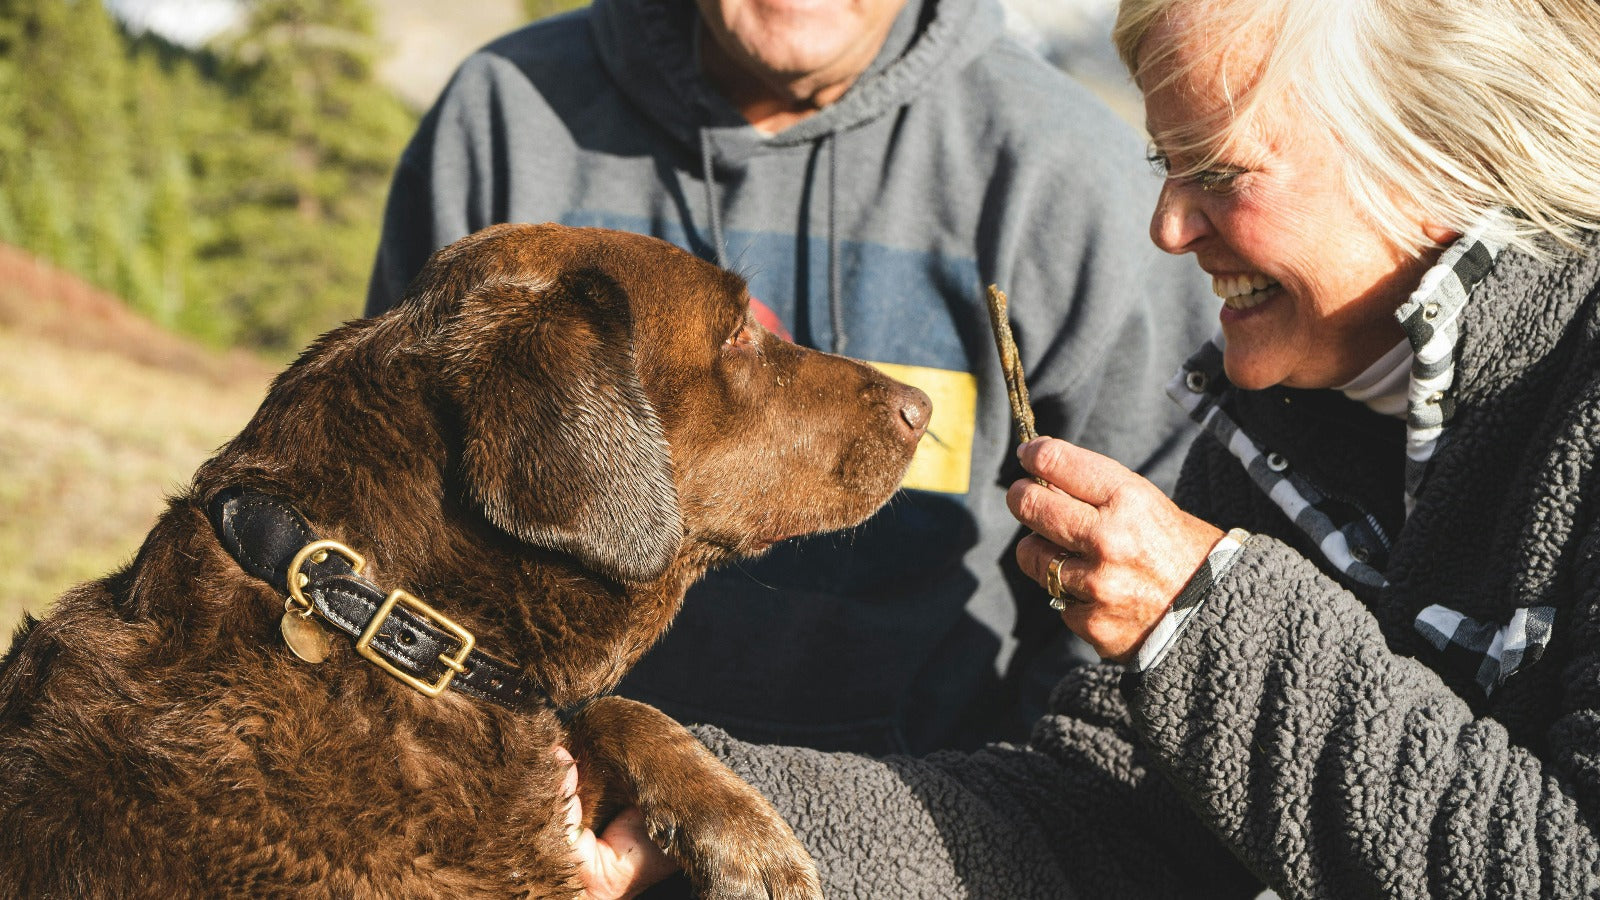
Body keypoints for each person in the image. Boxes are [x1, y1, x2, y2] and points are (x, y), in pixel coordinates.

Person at [573, 0, 1600, 896]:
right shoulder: (1278, 428)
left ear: (1438, 146)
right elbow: (1096, 835)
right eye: (1165, 165)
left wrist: (1202, 619)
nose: (1163, 225)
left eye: (1217, 170)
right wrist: (686, 806)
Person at [365, 0, 1214, 755]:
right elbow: (390, 517)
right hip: (549, 822)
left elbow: (1139, 605)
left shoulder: (1063, 175)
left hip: (924, 836)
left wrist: (1013, 846)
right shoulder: (509, 117)